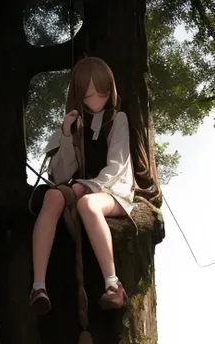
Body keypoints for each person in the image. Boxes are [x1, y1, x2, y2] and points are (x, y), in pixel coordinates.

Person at [30, 56, 135, 315]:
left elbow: (117, 166)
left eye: (101, 94)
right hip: (77, 187)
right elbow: (61, 173)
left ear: (110, 91)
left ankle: (113, 285)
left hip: (112, 190)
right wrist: (66, 135)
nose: (95, 101)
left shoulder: (117, 118)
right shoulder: (73, 122)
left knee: (88, 204)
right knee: (52, 198)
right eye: (88, 96)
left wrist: (86, 187)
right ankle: (39, 286)